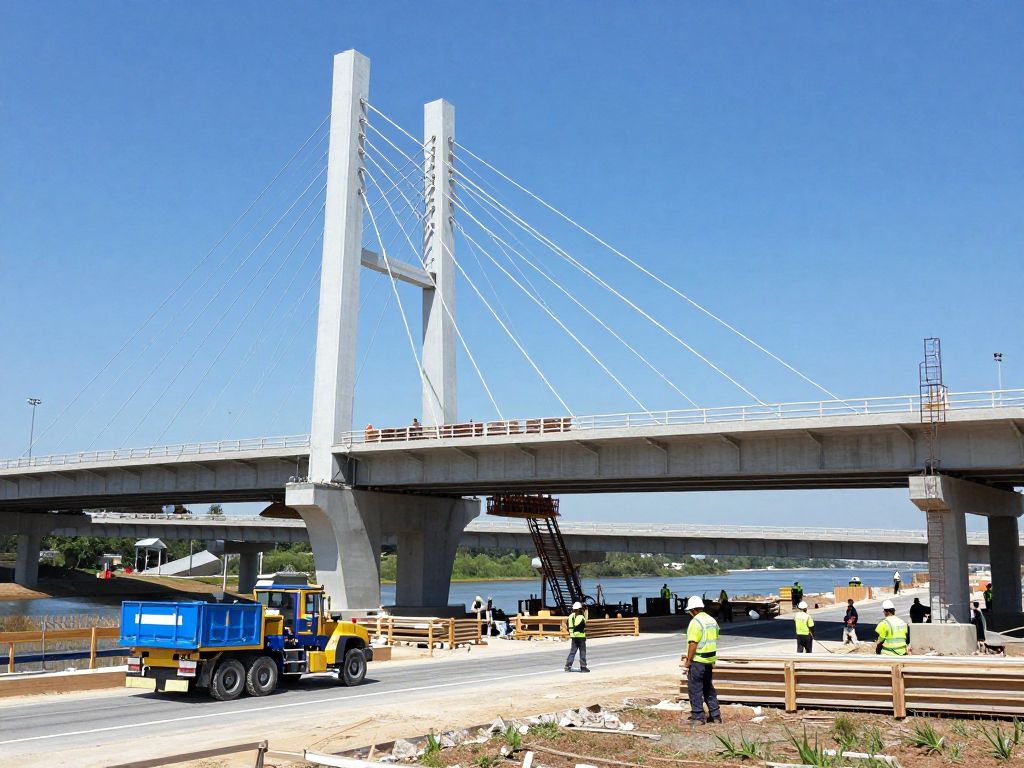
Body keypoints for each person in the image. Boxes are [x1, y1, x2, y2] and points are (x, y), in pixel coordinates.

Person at [682, 596, 721, 725]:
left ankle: (698, 717)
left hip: (698, 660)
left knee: (695, 688)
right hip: (709, 660)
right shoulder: (711, 620)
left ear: (693, 610)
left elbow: (693, 644)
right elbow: (715, 637)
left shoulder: (695, 622)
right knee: (708, 688)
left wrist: (688, 662)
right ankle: (715, 716)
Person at [564, 601, 589, 672]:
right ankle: (583, 667)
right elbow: (585, 621)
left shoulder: (570, 616)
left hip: (573, 636)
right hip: (580, 636)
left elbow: (568, 625)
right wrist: (586, 609)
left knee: (572, 652)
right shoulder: (581, 617)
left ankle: (567, 666)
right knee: (582, 652)